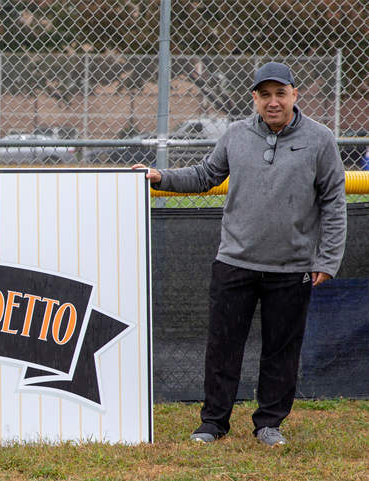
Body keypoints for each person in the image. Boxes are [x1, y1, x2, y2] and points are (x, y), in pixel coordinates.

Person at [134, 62, 347, 446]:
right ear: (255, 98)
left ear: (294, 95)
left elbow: (334, 200)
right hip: (234, 263)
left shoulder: (321, 139)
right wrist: (159, 177)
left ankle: (269, 423)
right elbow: (204, 175)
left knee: (281, 351)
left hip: (292, 267)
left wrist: (327, 260)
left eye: (280, 93)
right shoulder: (235, 134)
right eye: (264, 94)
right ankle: (213, 423)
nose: (273, 102)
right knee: (222, 347)